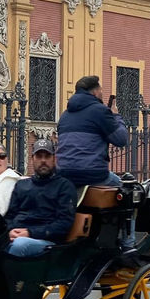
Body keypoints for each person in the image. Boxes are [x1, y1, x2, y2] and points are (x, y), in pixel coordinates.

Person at [56, 75, 135, 250]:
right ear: (96, 91)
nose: (102, 93)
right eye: (101, 90)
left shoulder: (65, 115)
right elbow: (121, 139)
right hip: (92, 174)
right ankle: (129, 243)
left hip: (63, 175)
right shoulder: (100, 111)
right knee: (128, 192)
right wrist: (116, 116)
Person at [5, 139, 77, 257]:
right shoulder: (21, 185)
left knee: (19, 245)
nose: (43, 160)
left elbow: (63, 224)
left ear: (54, 159)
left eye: (47, 156)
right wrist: (10, 231)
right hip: (17, 236)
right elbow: (9, 217)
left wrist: (29, 233)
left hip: (46, 241)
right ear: (32, 158)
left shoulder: (64, 187)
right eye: (39, 156)